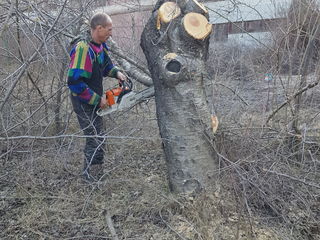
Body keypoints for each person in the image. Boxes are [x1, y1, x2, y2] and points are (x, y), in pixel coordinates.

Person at [67, 12, 126, 180]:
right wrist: (97, 100)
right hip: (82, 99)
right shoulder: (83, 49)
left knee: (100, 135)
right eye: (109, 29)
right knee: (94, 137)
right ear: (98, 28)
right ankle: (89, 178)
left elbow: (106, 65)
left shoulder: (99, 46)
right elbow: (74, 82)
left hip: (94, 96)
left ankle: (96, 173)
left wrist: (117, 73)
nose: (111, 33)